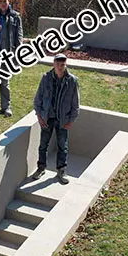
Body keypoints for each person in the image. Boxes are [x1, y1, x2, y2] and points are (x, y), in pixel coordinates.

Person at [31, 53, 80, 184]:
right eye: (57, 64)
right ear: (53, 63)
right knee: (43, 145)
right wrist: (40, 117)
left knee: (62, 146)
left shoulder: (72, 81)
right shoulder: (46, 78)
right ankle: (41, 168)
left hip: (63, 120)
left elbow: (75, 104)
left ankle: (62, 170)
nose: (59, 67)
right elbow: (38, 100)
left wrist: (71, 121)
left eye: (62, 64)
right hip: (47, 118)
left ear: (66, 65)